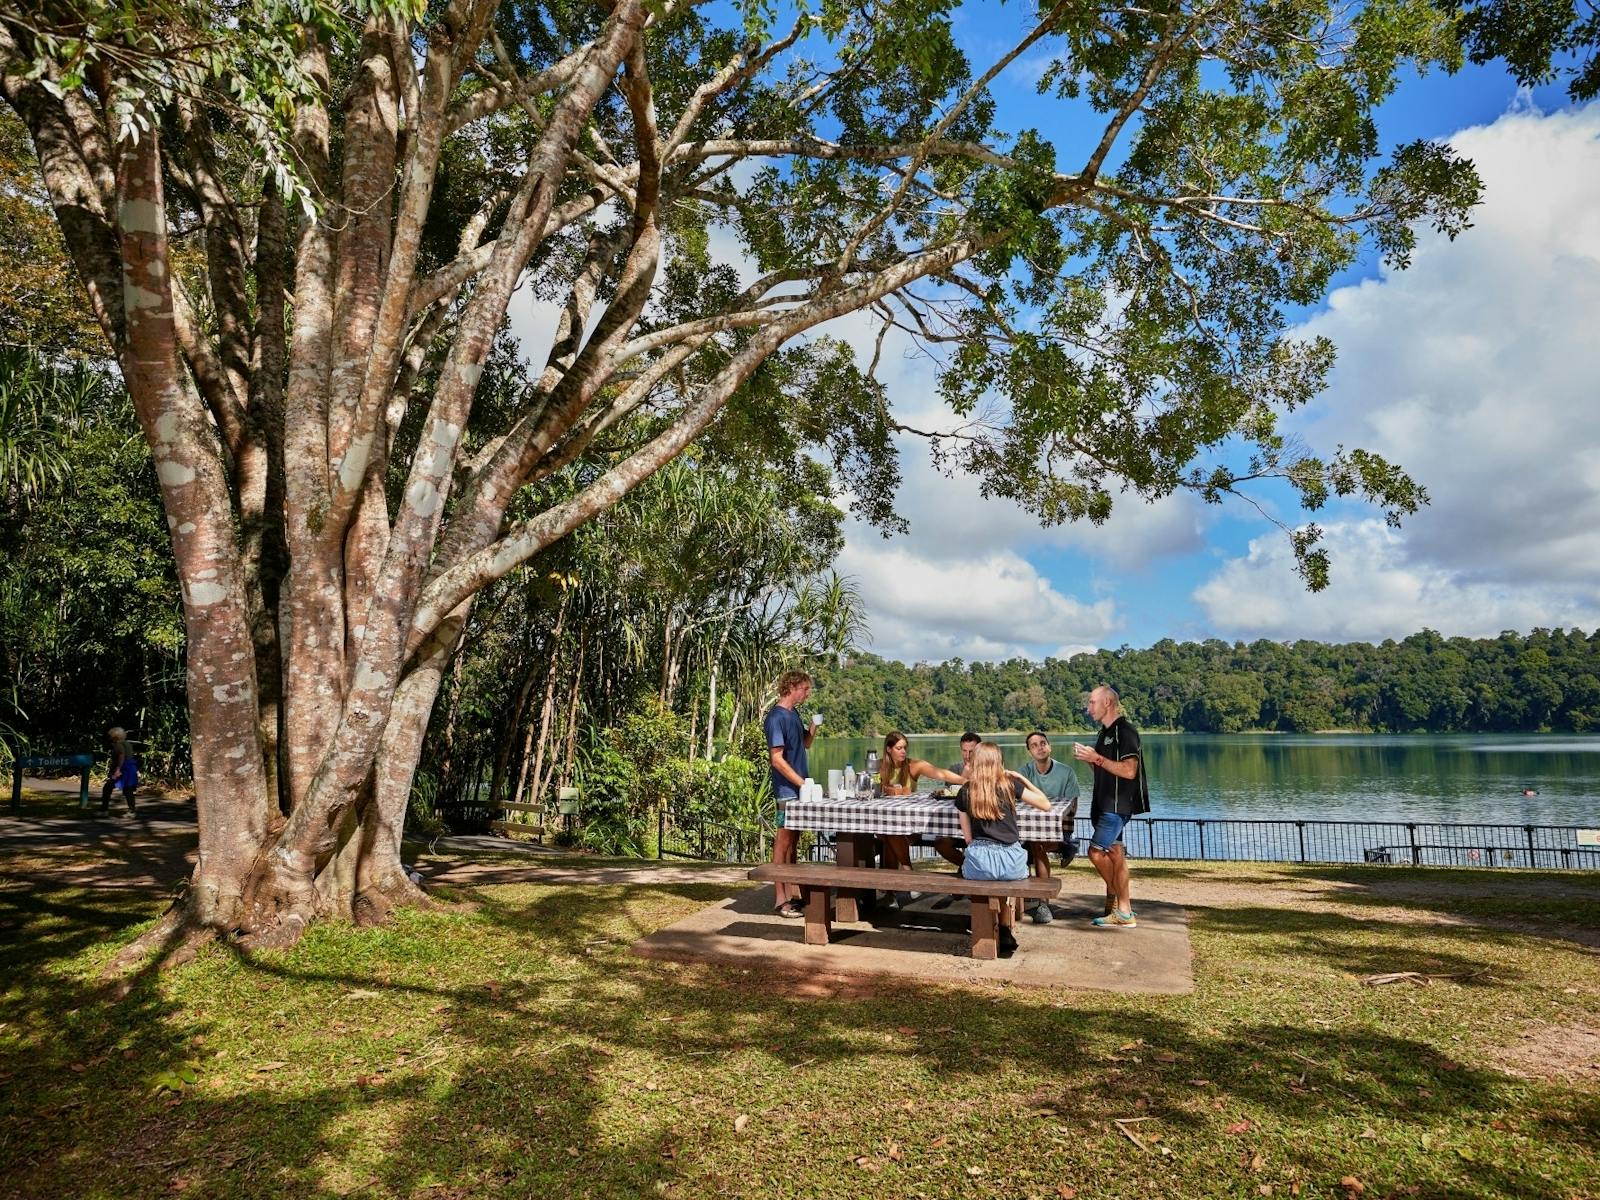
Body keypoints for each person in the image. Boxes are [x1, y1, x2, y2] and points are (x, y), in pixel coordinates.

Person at [953, 741, 1051, 956]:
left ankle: (990, 925)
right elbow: (1045, 804)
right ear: (998, 762)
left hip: (980, 864)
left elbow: (968, 839)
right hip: (1011, 863)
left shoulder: (966, 791)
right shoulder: (1009, 785)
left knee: (978, 871)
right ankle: (1004, 928)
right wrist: (1023, 779)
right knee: (1003, 880)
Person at [1072, 686, 1149, 928]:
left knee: (1095, 852)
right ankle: (1124, 912)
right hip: (1103, 803)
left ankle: (1123, 907)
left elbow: (1129, 771)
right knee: (1116, 854)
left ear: (1108, 702)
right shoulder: (1104, 732)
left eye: (1092, 702)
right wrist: (1090, 760)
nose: (1088, 708)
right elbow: (1103, 769)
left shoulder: (1126, 732)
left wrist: (1096, 757)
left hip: (1117, 806)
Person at [877, 731, 966, 901]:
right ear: (888, 749)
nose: (903, 751)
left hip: (911, 825)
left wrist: (965, 781)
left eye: (905, 748)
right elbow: (870, 787)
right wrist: (889, 790)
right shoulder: (879, 767)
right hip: (886, 822)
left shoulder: (913, 766)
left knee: (890, 835)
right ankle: (905, 878)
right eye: (899, 748)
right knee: (888, 832)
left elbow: (941, 774)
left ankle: (896, 886)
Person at [764, 669, 818, 918]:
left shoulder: (794, 714)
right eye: (805, 689)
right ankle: (780, 900)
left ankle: (792, 894)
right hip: (786, 792)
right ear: (793, 687)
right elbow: (777, 759)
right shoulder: (775, 718)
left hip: (799, 790)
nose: (807, 694)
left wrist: (814, 727)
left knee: (793, 842)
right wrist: (802, 783)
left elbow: (805, 743)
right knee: (783, 840)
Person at [1017, 730, 1081, 924]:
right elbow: (1017, 798)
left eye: (1042, 743)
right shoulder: (1025, 772)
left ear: (1049, 746)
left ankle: (1043, 903)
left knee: (1037, 845)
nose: (1039, 747)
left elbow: (1073, 806)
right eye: (1034, 745)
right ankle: (1021, 895)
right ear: (1029, 751)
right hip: (1029, 826)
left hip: (1060, 826)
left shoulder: (1066, 772)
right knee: (1015, 844)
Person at [929, 731, 982, 870]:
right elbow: (951, 795)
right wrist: (964, 774)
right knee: (940, 843)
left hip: (982, 825)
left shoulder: (988, 769)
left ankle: (971, 871)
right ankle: (967, 867)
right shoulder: (954, 769)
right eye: (964, 751)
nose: (968, 755)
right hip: (956, 823)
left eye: (972, 751)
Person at [100, 726, 139, 816]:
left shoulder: (118, 745)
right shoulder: (127, 744)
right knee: (128, 789)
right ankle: (131, 810)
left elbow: (121, 756)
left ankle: (104, 810)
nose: (110, 738)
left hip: (123, 768)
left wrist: (117, 770)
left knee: (107, 787)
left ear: (115, 737)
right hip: (131, 768)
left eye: (111, 736)